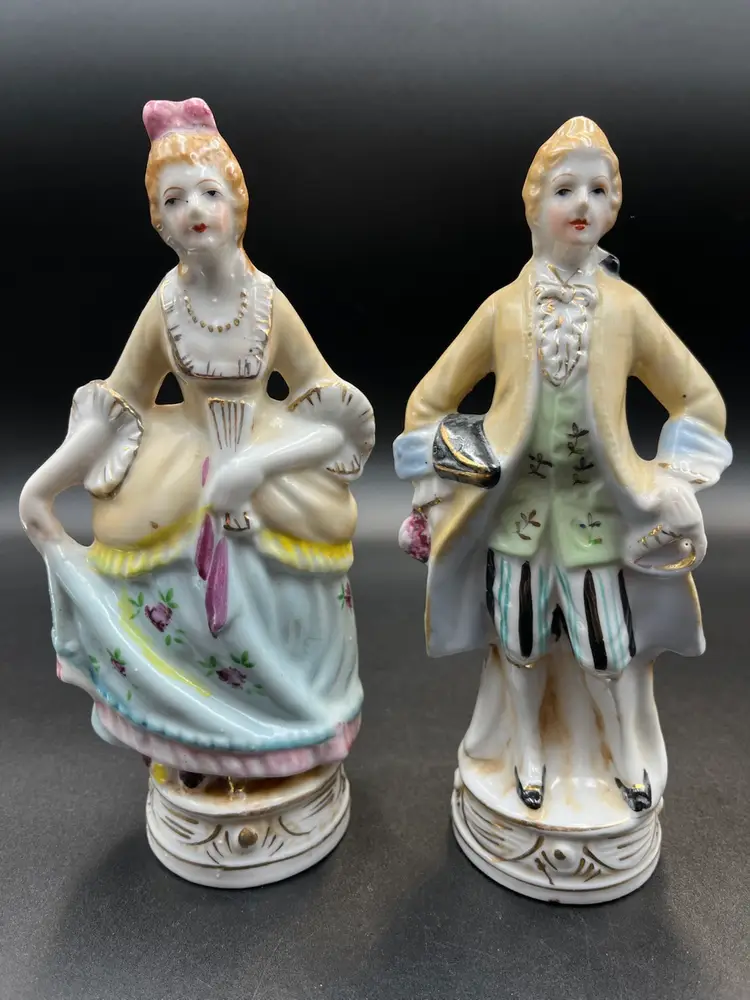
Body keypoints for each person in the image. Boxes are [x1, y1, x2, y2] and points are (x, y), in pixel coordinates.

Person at [19, 98, 375, 782]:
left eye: (209, 192)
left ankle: (288, 733)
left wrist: (259, 466)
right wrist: (45, 483)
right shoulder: (167, 305)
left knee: (283, 560)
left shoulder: (267, 302)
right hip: (183, 464)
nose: (194, 210)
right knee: (142, 536)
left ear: (238, 203)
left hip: (265, 467)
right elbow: (118, 403)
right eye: (174, 200)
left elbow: (337, 419)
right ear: (160, 222)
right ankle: (197, 735)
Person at [394, 116, 731, 814]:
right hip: (515, 516)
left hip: (595, 518)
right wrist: (445, 476)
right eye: (565, 189)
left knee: (607, 647)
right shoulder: (502, 310)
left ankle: (626, 753)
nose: (583, 203)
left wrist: (674, 479)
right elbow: (428, 400)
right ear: (534, 204)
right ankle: (527, 750)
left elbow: (698, 398)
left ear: (613, 207)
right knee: (518, 641)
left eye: (599, 190)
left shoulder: (628, 310)